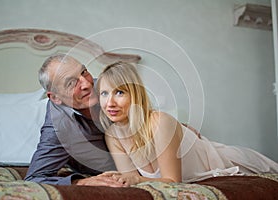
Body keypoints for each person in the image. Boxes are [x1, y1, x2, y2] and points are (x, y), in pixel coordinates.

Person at [96, 61, 278, 186]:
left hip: (230, 162)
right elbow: (132, 178)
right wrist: (118, 178)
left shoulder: (159, 121)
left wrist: (135, 180)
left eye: (119, 92)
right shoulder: (113, 135)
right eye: (104, 93)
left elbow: (172, 180)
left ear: (135, 95)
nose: (109, 103)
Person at [24, 54, 124, 187]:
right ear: (55, 97)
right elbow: (34, 178)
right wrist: (81, 182)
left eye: (84, 72)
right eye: (71, 83)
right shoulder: (58, 127)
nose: (87, 84)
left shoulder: (109, 87)